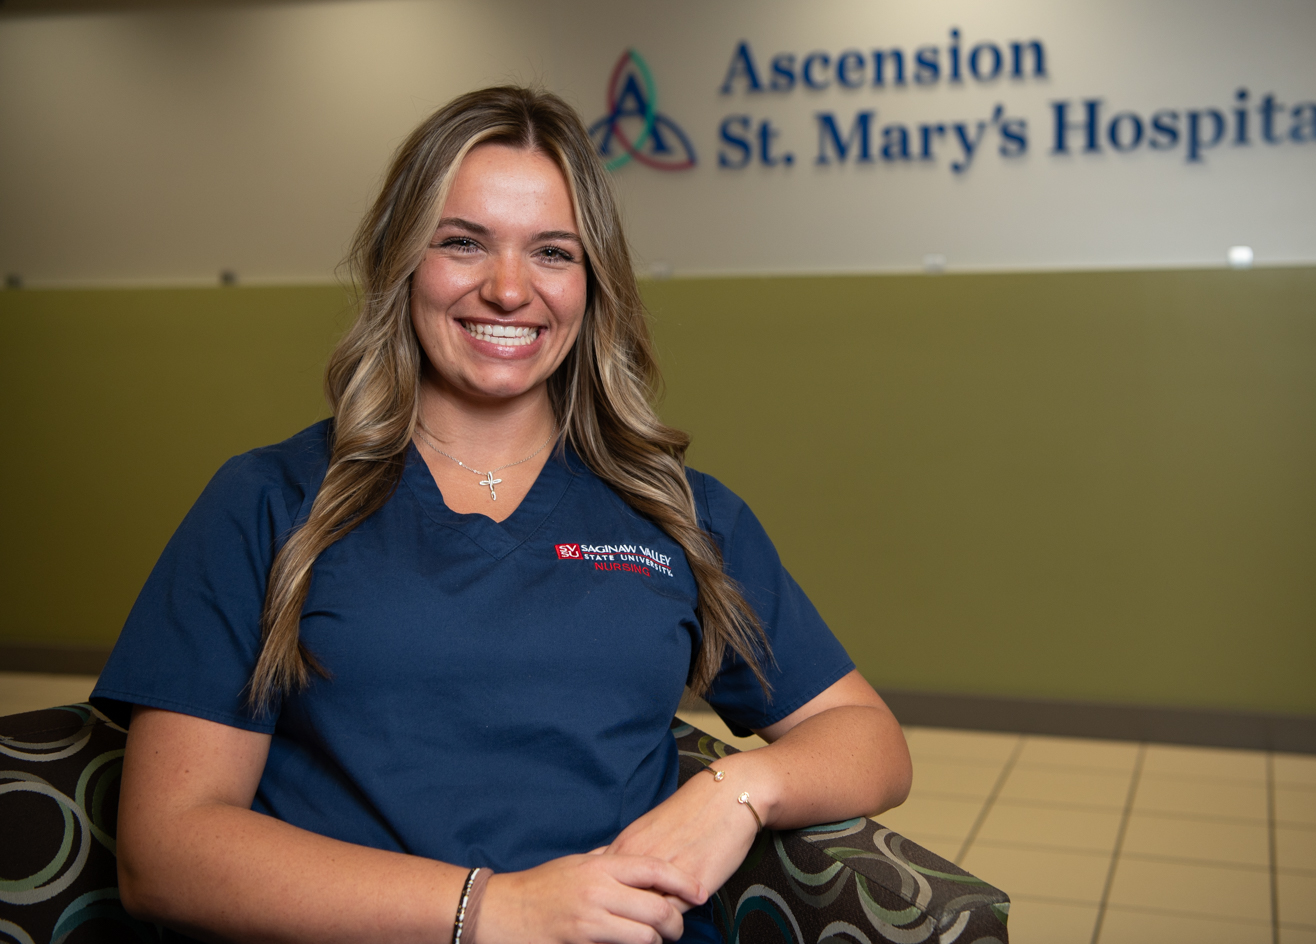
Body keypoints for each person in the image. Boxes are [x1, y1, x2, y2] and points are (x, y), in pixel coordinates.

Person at [91, 86, 911, 944]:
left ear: (594, 286)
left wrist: (736, 791)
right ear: (400, 260)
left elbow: (866, 739)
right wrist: (492, 909)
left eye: (553, 252)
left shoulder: (675, 511)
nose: (509, 289)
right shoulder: (270, 503)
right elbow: (167, 850)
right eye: (463, 243)